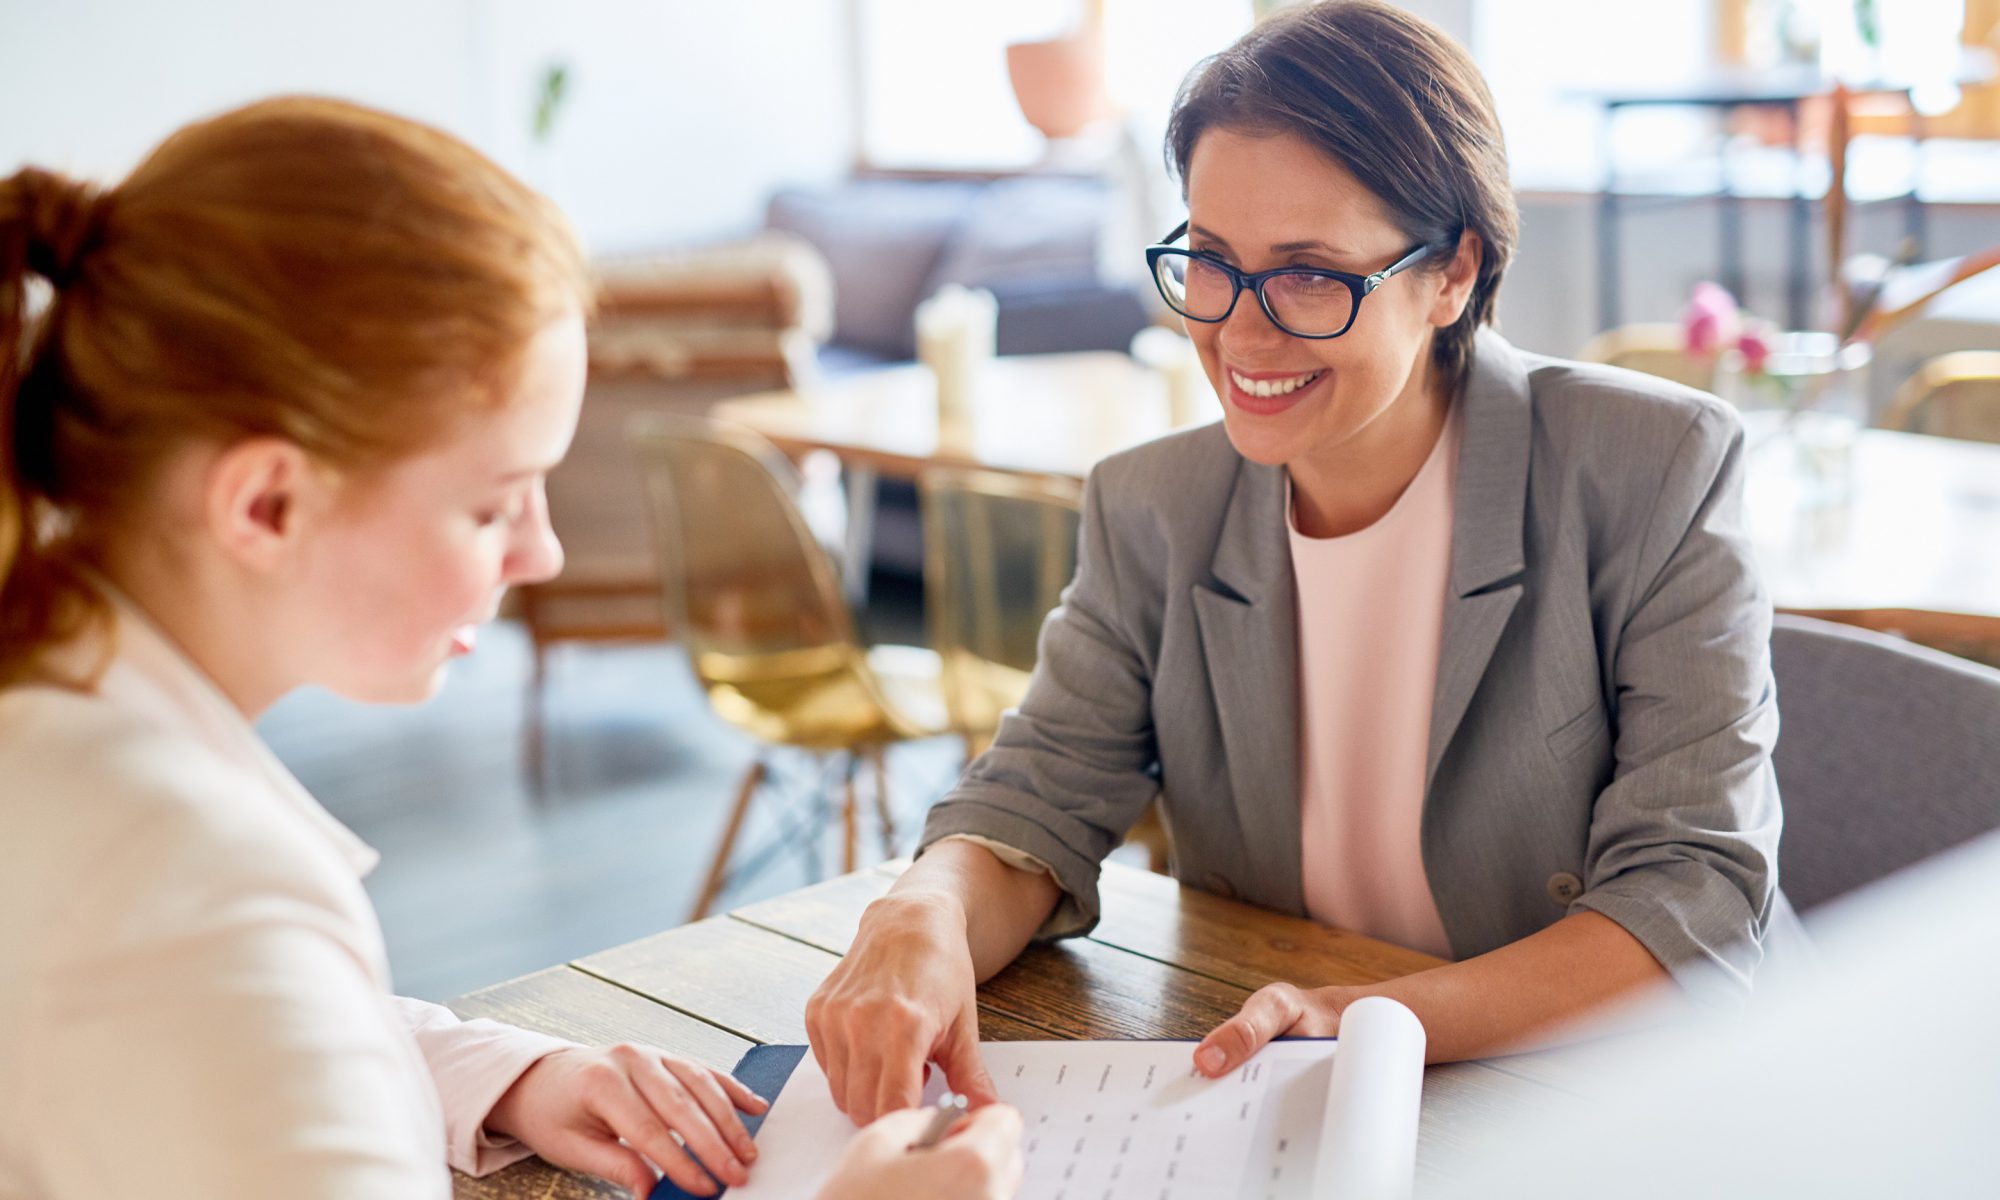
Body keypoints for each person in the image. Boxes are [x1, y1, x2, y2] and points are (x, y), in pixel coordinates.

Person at [807, 0, 1805, 1126]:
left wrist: (1382, 1019)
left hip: (1636, 1092)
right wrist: (923, 910)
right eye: (1210, 261)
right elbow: (1033, 803)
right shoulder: (1154, 507)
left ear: (1451, 274)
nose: (1237, 333)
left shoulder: (1648, 467)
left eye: (1308, 276)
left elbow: (1694, 898)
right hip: (1305, 1087)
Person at [0, 97, 1019, 1200]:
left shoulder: (67, 738)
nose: (541, 552)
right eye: (493, 505)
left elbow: (214, 1045)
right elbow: (218, 993)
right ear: (267, 504)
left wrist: (504, 1074)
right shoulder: (195, 896)